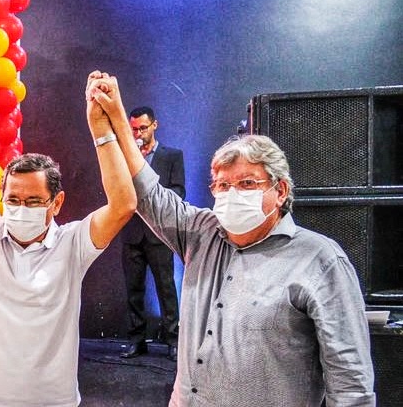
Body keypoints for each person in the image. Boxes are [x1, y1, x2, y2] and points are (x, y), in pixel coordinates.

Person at [87, 73, 376, 406]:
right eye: (222, 186)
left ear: (280, 190)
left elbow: (351, 386)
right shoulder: (201, 233)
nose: (232, 193)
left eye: (247, 184)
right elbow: (149, 194)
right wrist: (109, 126)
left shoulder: (320, 260)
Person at [0, 72, 136, 406]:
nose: (21, 209)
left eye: (33, 202)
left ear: (56, 203)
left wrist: (102, 129)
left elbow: (123, 205)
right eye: (13, 200)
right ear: (2, 198)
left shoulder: (72, 244)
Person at [119, 106, 185, 361]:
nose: (138, 134)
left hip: (159, 233)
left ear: (154, 125)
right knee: (133, 289)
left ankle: (173, 340)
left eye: (143, 128)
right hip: (132, 232)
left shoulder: (172, 156)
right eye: (134, 129)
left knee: (166, 288)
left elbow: (179, 192)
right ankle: (136, 341)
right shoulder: (126, 157)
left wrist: (155, 201)